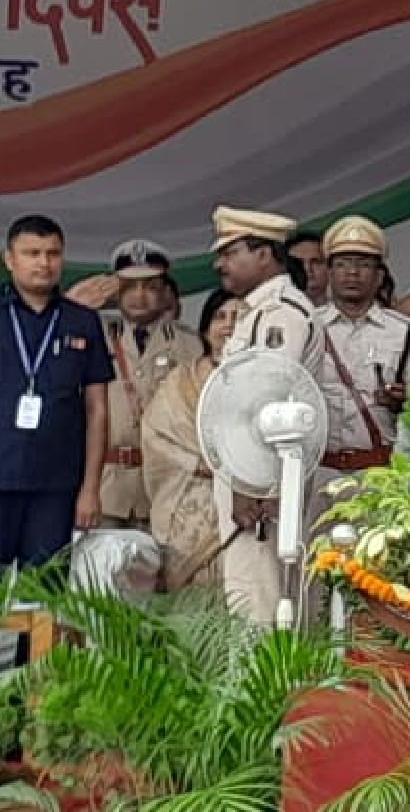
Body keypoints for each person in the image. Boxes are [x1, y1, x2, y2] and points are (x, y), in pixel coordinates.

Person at [209, 205, 327, 623]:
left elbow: (268, 400)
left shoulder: (282, 312)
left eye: (230, 252)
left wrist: (249, 482)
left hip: (263, 478)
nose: (220, 264)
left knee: (257, 592)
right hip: (256, 474)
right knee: (251, 587)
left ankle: (259, 687)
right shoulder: (258, 310)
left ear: (264, 255)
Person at [0, 215, 113, 571]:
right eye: (31, 253)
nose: (43, 263)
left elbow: (97, 410)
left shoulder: (82, 321)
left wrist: (91, 488)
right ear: (9, 259)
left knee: (46, 594)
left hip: (57, 484)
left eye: (52, 253)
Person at [313, 216, 410, 491]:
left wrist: (402, 403)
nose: (352, 272)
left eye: (363, 264)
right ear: (329, 274)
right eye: (342, 264)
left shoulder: (405, 333)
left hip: (381, 474)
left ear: (379, 277)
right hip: (319, 474)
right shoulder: (307, 328)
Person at [140, 290, 244, 588]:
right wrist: (197, 462)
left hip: (242, 506)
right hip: (187, 504)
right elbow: (154, 435)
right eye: (220, 317)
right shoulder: (179, 380)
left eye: (239, 318)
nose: (228, 326)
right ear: (204, 327)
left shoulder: (262, 379)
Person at [98, 239, 203, 528]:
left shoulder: (189, 344)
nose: (139, 296)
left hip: (164, 484)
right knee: (99, 570)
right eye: (129, 287)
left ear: (167, 292)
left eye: (150, 287)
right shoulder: (96, 335)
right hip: (107, 487)